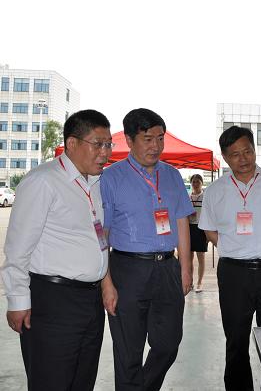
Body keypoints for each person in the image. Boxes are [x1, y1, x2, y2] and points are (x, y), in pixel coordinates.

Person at [1, 110, 112, 390]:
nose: (105, 152)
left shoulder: (95, 183)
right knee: (50, 381)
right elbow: (17, 249)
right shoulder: (43, 181)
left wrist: (104, 281)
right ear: (72, 144)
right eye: (98, 144)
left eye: (108, 144)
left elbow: (97, 237)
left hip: (90, 302)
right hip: (53, 301)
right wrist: (17, 301)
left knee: (82, 381)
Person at [100, 108, 194, 391]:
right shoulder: (110, 178)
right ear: (129, 140)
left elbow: (182, 222)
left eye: (160, 138)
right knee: (128, 351)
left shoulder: (172, 176)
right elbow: (102, 234)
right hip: (127, 270)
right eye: (148, 139)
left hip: (167, 268)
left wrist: (185, 269)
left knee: (168, 344)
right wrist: (106, 282)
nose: (156, 146)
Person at [199, 126, 261, 391]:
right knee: (236, 340)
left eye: (248, 151)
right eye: (235, 154)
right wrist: (235, 247)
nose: (243, 159)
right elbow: (209, 230)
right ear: (225, 157)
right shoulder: (215, 190)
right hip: (234, 274)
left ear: (254, 149)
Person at [189, 174, 208, 292]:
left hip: (201, 228)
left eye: (198, 182)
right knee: (189, 257)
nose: (195, 184)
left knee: (201, 257)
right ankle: (190, 281)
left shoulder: (205, 197)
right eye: (194, 182)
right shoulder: (188, 197)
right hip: (189, 228)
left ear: (202, 183)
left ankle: (200, 282)